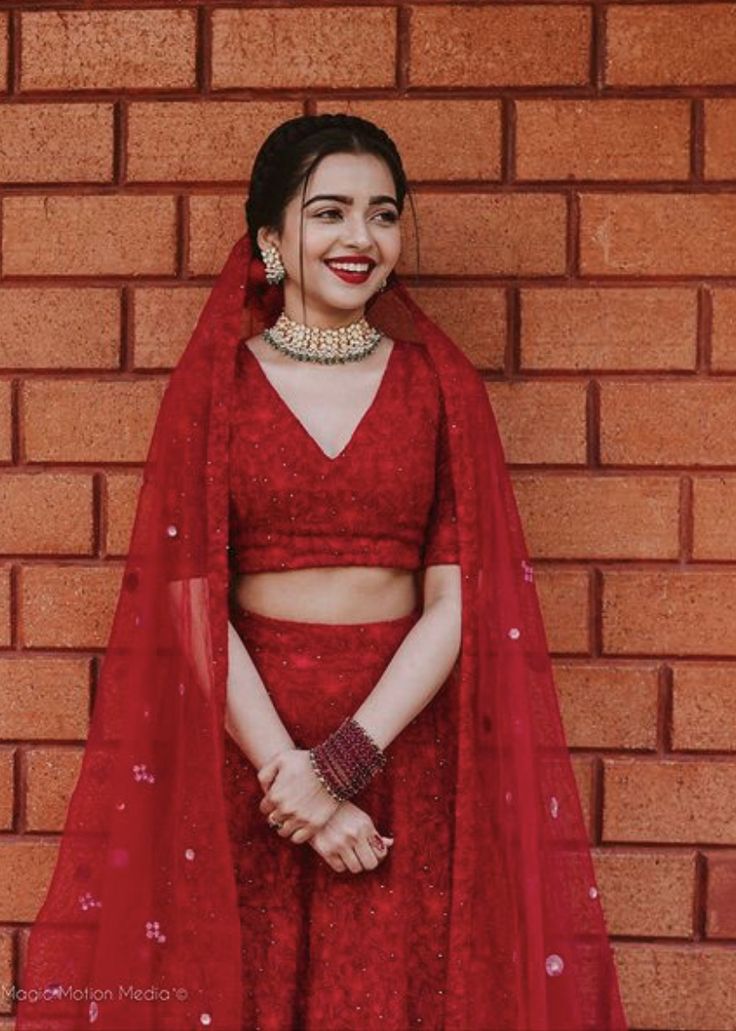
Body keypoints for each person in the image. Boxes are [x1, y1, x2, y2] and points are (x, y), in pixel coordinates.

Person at [16, 114, 628, 1031]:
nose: (359, 239)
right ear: (272, 239)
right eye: (329, 212)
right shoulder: (216, 386)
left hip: (401, 737)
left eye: (383, 215)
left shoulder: (439, 386)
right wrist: (288, 774)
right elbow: (189, 597)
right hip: (248, 739)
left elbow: (458, 600)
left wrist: (343, 763)